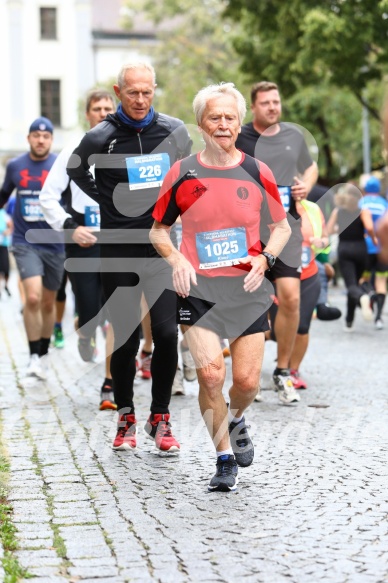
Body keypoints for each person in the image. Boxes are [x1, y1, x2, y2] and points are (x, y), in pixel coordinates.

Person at [150, 82, 291, 492]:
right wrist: (176, 258)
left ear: (240, 122)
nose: (223, 124)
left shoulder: (255, 170)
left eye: (230, 117)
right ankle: (224, 457)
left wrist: (265, 258)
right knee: (211, 375)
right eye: (215, 117)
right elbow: (158, 232)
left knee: (246, 382)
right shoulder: (183, 173)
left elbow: (281, 228)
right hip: (199, 288)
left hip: (246, 289)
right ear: (201, 123)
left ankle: (235, 416)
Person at [67, 62, 192, 450]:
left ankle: (160, 416)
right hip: (119, 249)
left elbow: (186, 172)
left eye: (147, 92)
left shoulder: (173, 130)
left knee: (168, 333)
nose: (140, 100)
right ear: (118, 93)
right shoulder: (100, 135)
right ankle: (125, 416)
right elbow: (75, 167)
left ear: (154, 90)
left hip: (161, 246)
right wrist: (105, 198)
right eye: (132, 93)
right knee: (126, 338)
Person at [236, 81, 318, 403]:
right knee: (249, 301)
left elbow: (310, 168)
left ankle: (283, 371)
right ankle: (248, 372)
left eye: (276, 101)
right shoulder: (239, 136)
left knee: (290, 298)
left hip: (287, 226)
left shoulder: (293, 136)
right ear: (254, 107)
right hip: (247, 230)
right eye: (265, 103)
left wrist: (305, 186)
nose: (272, 107)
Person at [40, 88, 118, 410]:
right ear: (88, 114)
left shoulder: (127, 148)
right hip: (83, 240)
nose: (102, 113)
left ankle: (111, 383)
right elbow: (48, 197)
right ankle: (85, 334)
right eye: (97, 108)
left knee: (116, 314)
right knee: (90, 313)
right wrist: (71, 227)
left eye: (107, 108)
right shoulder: (73, 150)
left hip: (117, 239)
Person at [0, 117, 64, 381]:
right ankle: (33, 356)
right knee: (34, 297)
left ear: (51, 139)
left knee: (49, 303)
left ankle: (44, 351)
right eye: (36, 136)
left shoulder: (60, 166)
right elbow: (3, 196)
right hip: (26, 242)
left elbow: (72, 199)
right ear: (29, 139)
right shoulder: (16, 165)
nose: (40, 140)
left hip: (55, 242)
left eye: (46, 136)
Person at [269, 199, 329, 389]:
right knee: (279, 330)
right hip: (281, 276)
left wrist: (322, 242)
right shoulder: (271, 206)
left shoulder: (313, 208)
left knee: (302, 326)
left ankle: (291, 371)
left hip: (309, 273)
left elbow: (326, 238)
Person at [327, 184, 376, 331]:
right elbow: (370, 227)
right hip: (361, 249)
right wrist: (373, 239)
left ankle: (360, 300)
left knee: (351, 285)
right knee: (354, 284)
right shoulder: (363, 211)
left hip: (345, 249)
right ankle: (349, 320)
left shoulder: (338, 211)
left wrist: (339, 228)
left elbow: (329, 230)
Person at [359, 176, 388, 329]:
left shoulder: (361, 203)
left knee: (362, 279)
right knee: (381, 282)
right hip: (382, 248)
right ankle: (378, 319)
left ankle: (370, 294)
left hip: (365, 247)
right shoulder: (385, 204)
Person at [0, 206, 12, 298]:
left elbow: (11, 226)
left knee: (6, 269)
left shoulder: (4, 214)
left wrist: (7, 232)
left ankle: (6, 286)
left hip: (3, 245)